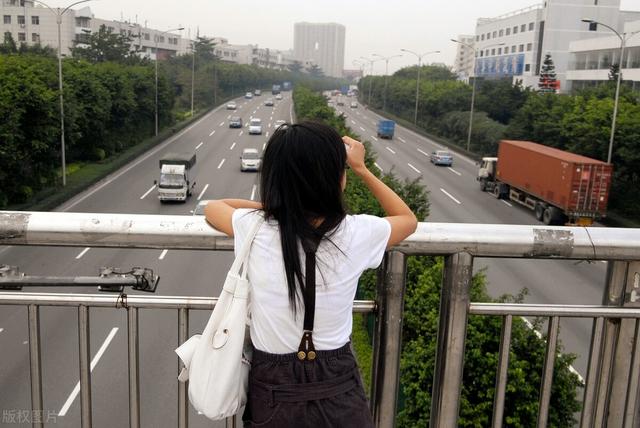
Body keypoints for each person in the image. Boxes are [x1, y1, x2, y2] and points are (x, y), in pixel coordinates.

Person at [205, 121, 417, 427]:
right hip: (338, 384)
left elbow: (214, 207)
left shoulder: (257, 228)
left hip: (273, 387)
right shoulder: (358, 232)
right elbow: (407, 219)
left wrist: (279, 208)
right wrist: (362, 167)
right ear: (338, 179)